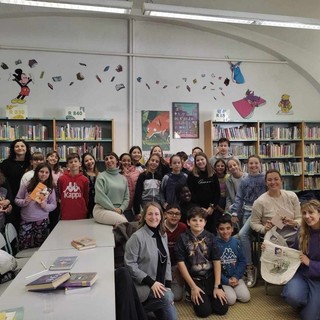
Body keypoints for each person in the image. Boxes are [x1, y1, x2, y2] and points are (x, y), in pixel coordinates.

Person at [124, 202, 178, 320]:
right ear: (144, 216)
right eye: (150, 214)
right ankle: (139, 311)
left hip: (160, 287)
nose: (153, 217)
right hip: (143, 286)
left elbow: (167, 260)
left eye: (156, 214)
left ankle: (150, 312)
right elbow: (129, 265)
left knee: (169, 298)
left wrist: (168, 286)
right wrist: (151, 282)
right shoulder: (137, 237)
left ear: (161, 216)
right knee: (168, 298)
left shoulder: (163, 234)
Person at [175, 206, 228, 318]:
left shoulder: (211, 237)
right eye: (194, 220)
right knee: (204, 312)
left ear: (205, 222)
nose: (197, 223)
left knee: (222, 309)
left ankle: (209, 295)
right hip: (194, 279)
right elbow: (181, 264)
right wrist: (193, 287)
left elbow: (216, 260)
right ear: (188, 222)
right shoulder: (182, 238)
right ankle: (191, 293)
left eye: (201, 220)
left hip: (210, 277)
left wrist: (217, 286)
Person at [281, 199, 320, 320]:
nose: (307, 216)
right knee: (293, 296)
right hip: (302, 273)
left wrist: (310, 263)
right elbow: (293, 251)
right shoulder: (302, 231)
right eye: (304, 213)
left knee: (310, 317)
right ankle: (308, 302)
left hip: (318, 277)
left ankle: (312, 304)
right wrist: (270, 249)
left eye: (311, 212)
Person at [232, 155, 266, 287]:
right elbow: (239, 198)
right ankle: (250, 268)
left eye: (256, 163)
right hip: (247, 212)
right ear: (247, 165)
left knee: (241, 235)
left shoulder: (265, 179)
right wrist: (235, 212)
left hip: (262, 213)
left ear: (260, 164)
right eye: (251, 164)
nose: (253, 166)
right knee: (243, 236)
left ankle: (263, 266)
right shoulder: (244, 180)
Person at [251, 169, 301, 247]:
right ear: (266, 183)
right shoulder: (260, 202)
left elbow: (300, 218)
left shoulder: (292, 196)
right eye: (269, 180)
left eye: (276, 179)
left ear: (281, 181)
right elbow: (254, 223)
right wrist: (264, 228)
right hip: (274, 239)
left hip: (295, 236)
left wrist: (295, 223)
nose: (273, 182)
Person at [15, 163, 56, 249]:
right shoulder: (27, 185)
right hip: (26, 221)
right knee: (24, 246)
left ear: (49, 174)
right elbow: (16, 200)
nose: (44, 174)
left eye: (46, 172)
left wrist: (45, 206)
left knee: (41, 248)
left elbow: (53, 205)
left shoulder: (50, 188)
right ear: (37, 172)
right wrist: (24, 201)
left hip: (41, 221)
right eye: (41, 171)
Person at [216, 215, 250, 306]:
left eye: (228, 228)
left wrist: (236, 276)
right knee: (231, 300)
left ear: (232, 229)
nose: (225, 231)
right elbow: (213, 267)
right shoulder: (214, 244)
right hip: (223, 280)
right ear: (217, 230)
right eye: (221, 229)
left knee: (245, 297)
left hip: (236, 277)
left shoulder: (237, 242)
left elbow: (242, 261)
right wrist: (226, 281)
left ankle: (235, 286)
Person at [0, 139, 31, 231]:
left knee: (28, 223)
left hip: (29, 198)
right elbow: (2, 182)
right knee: (13, 224)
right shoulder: (5, 163)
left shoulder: (31, 162)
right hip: (11, 198)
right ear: (13, 149)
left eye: (22, 146)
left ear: (26, 148)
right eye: (17, 146)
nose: (20, 148)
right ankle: (14, 244)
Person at [187, 152, 220, 234]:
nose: (200, 162)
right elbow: (191, 193)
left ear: (206, 160)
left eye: (202, 159)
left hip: (211, 209)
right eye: (198, 160)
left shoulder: (213, 173)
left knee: (212, 232)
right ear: (195, 162)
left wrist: (212, 207)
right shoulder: (192, 175)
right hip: (198, 208)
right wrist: (200, 208)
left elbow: (217, 192)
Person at [93, 152, 129, 226]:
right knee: (125, 224)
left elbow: (127, 198)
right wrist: (113, 209)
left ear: (117, 161)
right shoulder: (101, 176)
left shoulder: (123, 178)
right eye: (106, 159)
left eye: (111, 158)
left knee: (122, 230)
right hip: (102, 209)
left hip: (118, 211)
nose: (109, 160)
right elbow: (100, 197)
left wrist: (121, 209)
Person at [164, 204, 187, 301]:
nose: (174, 216)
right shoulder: (159, 226)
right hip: (161, 265)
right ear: (165, 214)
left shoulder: (183, 228)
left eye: (177, 214)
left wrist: (178, 269)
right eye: (171, 213)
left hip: (176, 265)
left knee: (177, 297)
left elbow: (186, 251)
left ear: (180, 216)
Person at [58, 152, 89, 220]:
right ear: (67, 165)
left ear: (80, 164)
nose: (73, 163)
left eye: (75, 161)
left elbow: (86, 196)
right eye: (70, 162)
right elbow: (60, 194)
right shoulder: (61, 179)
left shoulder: (85, 179)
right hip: (66, 213)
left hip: (81, 213)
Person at [119, 152, 140, 222]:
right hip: (121, 206)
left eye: (128, 160)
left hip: (134, 206)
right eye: (124, 160)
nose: (126, 162)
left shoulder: (137, 172)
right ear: (120, 161)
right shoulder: (117, 173)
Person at [46, 151, 63, 231]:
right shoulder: (43, 169)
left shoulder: (59, 171)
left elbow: (61, 186)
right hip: (44, 198)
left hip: (55, 199)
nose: (53, 158)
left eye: (56, 157)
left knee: (54, 219)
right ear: (47, 158)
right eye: (51, 156)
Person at [81, 152, 99, 218]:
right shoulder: (82, 175)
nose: (89, 162)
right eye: (86, 161)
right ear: (83, 164)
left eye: (91, 159)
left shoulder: (100, 174)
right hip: (85, 204)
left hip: (97, 203)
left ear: (94, 160)